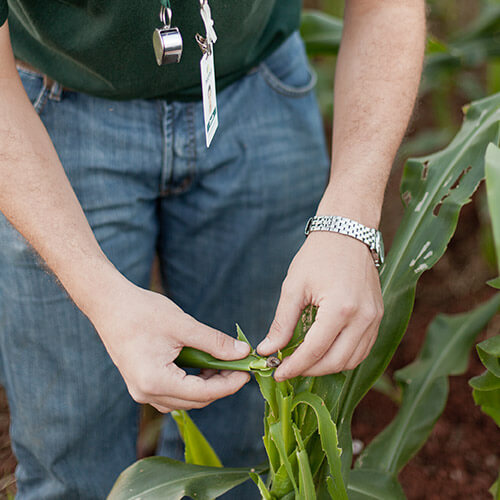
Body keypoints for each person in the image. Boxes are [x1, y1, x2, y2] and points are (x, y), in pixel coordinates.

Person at [0, 0, 426, 498]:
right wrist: (99, 293)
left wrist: (351, 222)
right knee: (71, 463)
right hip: (46, 111)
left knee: (254, 442)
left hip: (256, 88)